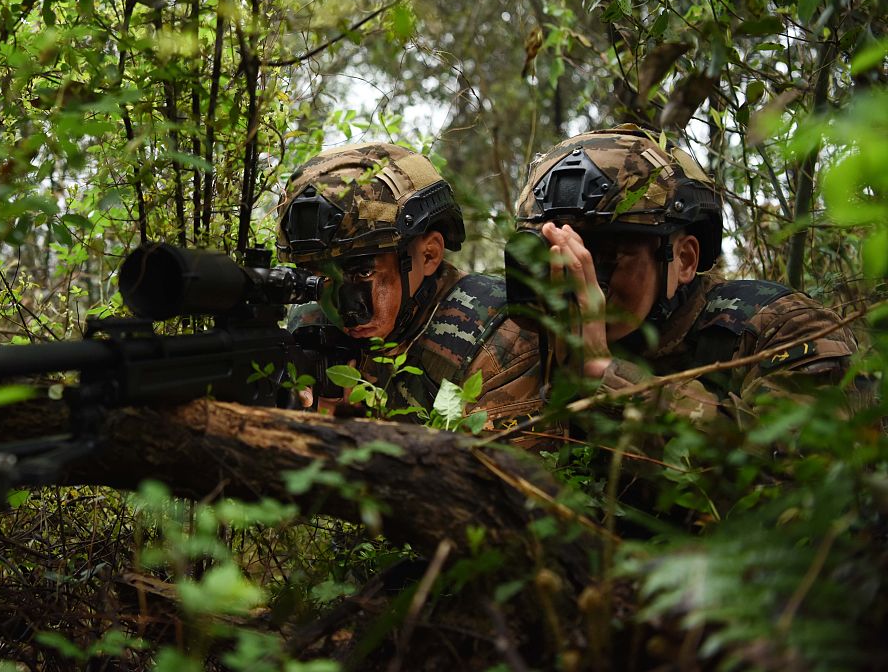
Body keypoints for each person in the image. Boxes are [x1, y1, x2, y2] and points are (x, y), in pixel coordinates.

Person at [513, 124, 862, 426]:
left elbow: (793, 467)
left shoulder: (783, 329)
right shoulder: (521, 334)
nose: (577, 271)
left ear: (683, 260)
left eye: (607, 255)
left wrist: (605, 374)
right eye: (554, 251)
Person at [276, 143, 549, 447]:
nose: (346, 311)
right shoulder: (309, 327)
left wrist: (351, 440)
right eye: (321, 278)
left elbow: (503, 475)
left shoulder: (500, 340)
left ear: (429, 254)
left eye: (363, 273)